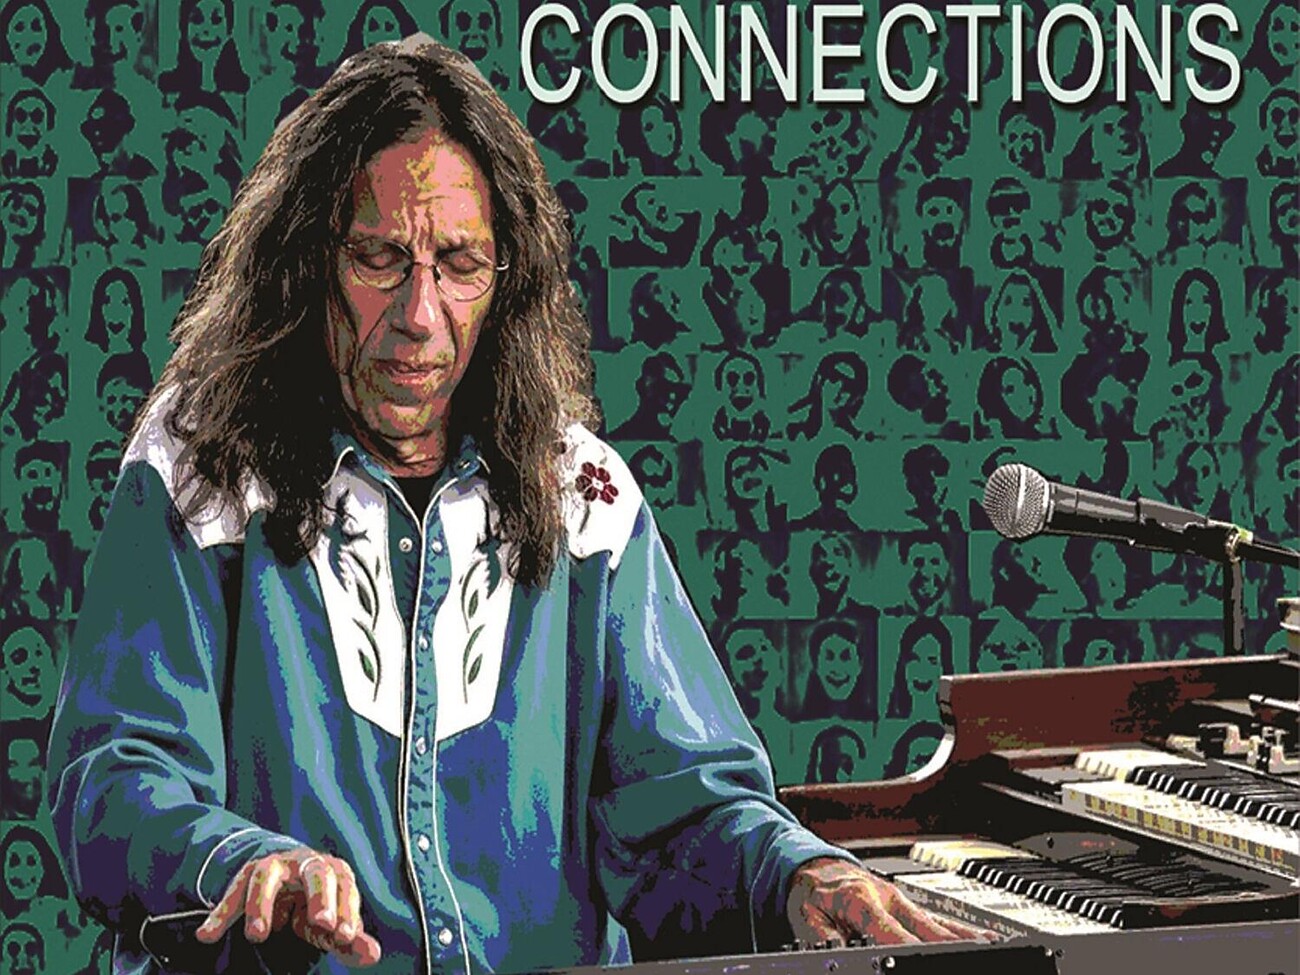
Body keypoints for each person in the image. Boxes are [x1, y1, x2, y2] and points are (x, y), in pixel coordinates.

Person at [46, 35, 981, 975]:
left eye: (459, 264)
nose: (420, 316)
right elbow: (112, 780)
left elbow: (682, 807)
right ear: (306, 262)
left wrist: (798, 872)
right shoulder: (201, 466)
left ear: (508, 278)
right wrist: (240, 860)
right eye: (379, 258)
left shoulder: (584, 495)